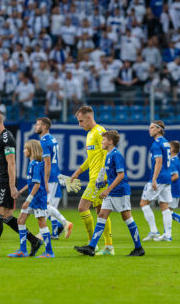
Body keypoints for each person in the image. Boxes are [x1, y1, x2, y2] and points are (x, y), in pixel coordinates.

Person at [0, 110, 42, 257]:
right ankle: (34, 240)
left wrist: (12, 186)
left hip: (5, 181)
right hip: (0, 180)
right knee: (5, 216)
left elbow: (11, 163)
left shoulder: (7, 138)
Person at [74, 130, 145, 256]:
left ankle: (139, 248)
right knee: (101, 215)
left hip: (121, 192)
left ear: (111, 142)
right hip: (112, 193)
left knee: (126, 217)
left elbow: (121, 175)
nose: (102, 142)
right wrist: (104, 182)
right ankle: (91, 247)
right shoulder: (108, 155)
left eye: (104, 140)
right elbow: (113, 176)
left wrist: (107, 189)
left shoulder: (116, 155)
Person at [71, 106, 114, 256]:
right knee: (100, 212)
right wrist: (78, 172)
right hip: (94, 177)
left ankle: (92, 245)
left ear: (89, 118)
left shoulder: (100, 131)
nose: (79, 124)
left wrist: (102, 176)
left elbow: (107, 155)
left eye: (81, 121)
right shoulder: (89, 134)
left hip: (98, 179)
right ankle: (108, 247)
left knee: (82, 207)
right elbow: (91, 158)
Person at [8, 140, 55, 258]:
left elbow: (37, 185)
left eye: (25, 149)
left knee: (41, 222)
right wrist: (20, 191)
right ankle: (22, 250)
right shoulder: (32, 164)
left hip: (38, 198)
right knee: (20, 220)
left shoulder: (36, 164)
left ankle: (49, 252)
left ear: (31, 150)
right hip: (33, 197)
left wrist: (27, 200)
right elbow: (31, 183)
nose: (24, 151)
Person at [34, 117, 73, 239]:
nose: (36, 126)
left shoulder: (44, 141)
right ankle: (50, 230)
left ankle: (63, 223)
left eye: (38, 124)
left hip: (49, 176)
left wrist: (45, 180)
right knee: (45, 205)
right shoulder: (52, 139)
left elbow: (48, 163)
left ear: (44, 127)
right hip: (54, 174)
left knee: (45, 205)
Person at [140, 120, 173, 242]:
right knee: (164, 206)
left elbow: (158, 162)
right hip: (167, 177)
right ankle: (168, 235)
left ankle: (154, 230)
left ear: (159, 129)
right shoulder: (166, 143)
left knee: (143, 203)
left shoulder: (156, 144)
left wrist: (154, 179)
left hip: (159, 178)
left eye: (152, 127)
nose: (150, 130)